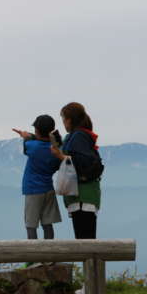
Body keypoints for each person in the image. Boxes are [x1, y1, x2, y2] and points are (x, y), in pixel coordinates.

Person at [50, 102, 103, 240]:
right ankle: (91, 262)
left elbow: (81, 162)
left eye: (63, 119)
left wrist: (60, 156)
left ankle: (91, 262)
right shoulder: (79, 135)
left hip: (82, 198)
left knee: (84, 241)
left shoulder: (78, 136)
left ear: (69, 120)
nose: (63, 123)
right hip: (84, 196)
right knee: (86, 239)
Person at [12, 115, 62, 245]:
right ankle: (50, 254)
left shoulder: (33, 146)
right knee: (47, 223)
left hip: (33, 189)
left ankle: (33, 258)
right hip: (49, 189)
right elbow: (40, 140)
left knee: (31, 224)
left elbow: (27, 146)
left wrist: (25, 137)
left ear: (37, 131)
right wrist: (31, 136)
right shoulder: (55, 149)